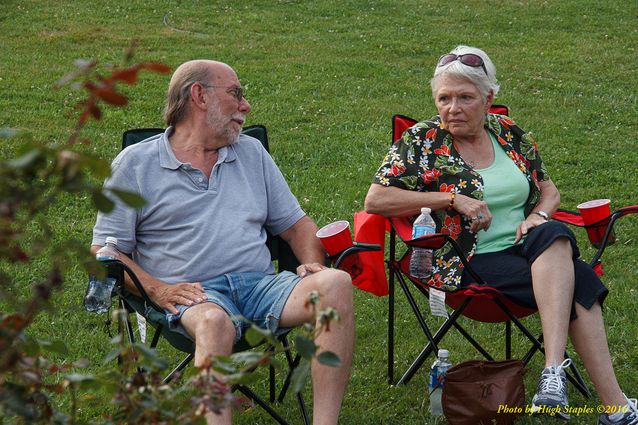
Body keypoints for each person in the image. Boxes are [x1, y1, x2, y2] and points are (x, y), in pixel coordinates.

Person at [364, 45, 637, 424]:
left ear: (489, 98)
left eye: (465, 98)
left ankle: (557, 375)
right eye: (444, 98)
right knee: (580, 279)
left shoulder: (508, 133)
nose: (452, 108)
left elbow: (550, 190)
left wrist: (538, 215)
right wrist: (452, 199)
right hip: (468, 260)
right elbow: (376, 200)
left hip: (530, 248)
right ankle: (611, 406)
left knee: (552, 231)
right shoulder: (422, 141)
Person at [91, 59, 354, 425]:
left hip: (260, 287)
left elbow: (295, 224)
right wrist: (157, 290)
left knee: (335, 283)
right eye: (235, 94)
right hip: (194, 296)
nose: (245, 105)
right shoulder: (136, 164)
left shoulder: (251, 153)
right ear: (198, 96)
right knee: (215, 323)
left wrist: (312, 262)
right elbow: (105, 251)